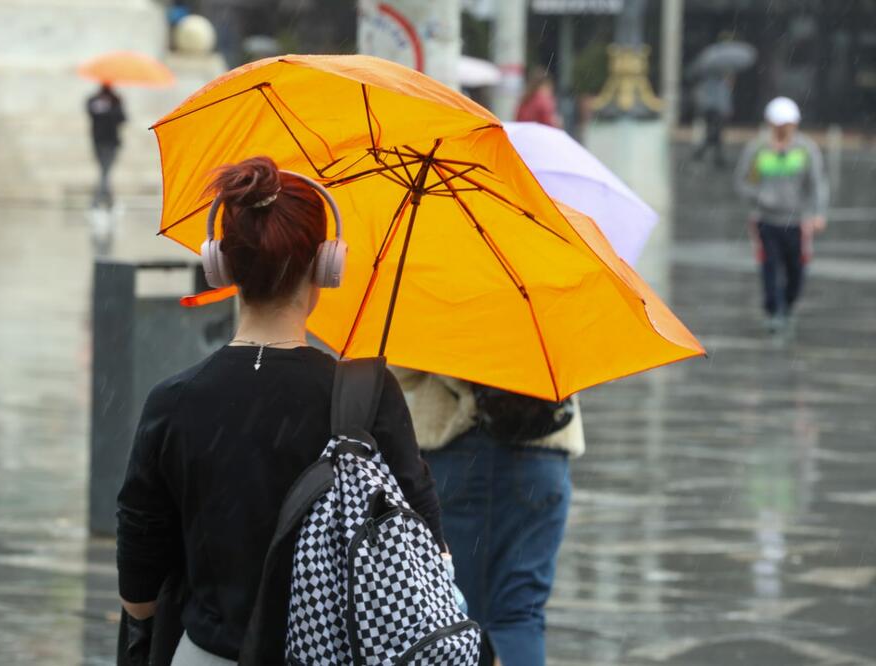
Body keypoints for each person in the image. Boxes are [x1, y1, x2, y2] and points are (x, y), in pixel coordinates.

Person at [115, 157, 445, 665]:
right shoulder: (365, 395)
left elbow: (140, 591)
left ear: (220, 264)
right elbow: (428, 553)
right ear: (326, 264)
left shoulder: (172, 401)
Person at [395, 370, 584, 666]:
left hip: (457, 454)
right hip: (542, 454)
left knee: (455, 611)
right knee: (522, 613)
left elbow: (402, 370)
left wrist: (468, 386)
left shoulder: (436, 320)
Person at [734, 96, 828, 336]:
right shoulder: (757, 149)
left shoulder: (806, 149)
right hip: (765, 221)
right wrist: (761, 197)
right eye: (778, 124)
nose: (783, 129)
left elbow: (817, 184)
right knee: (769, 267)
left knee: (796, 269)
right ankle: (774, 312)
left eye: (787, 124)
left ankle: (788, 305)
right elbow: (741, 181)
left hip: (798, 222)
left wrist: (818, 213)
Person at [86, 83, 127, 208]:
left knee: (105, 170)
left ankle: (103, 200)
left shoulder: (115, 101)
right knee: (104, 171)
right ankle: (105, 199)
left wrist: (112, 107)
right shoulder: (93, 100)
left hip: (110, 141)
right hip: (99, 141)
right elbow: (90, 113)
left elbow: (122, 119)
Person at [692, 71, 734, 168]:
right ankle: (713, 156)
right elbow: (721, 99)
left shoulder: (713, 83)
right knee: (715, 134)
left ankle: (708, 155)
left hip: (712, 112)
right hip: (714, 112)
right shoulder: (718, 84)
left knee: (715, 134)